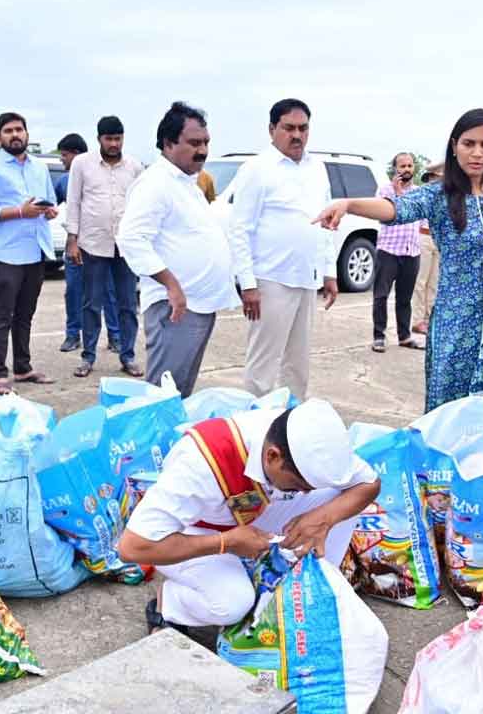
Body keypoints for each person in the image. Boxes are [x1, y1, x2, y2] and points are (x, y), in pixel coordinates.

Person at [316, 109, 483, 437]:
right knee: (450, 406)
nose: (477, 153)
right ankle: (443, 483)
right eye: (469, 143)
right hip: (459, 319)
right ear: (454, 146)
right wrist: (349, 204)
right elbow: (395, 210)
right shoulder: (439, 195)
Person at [118, 399, 380, 631]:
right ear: (272, 457)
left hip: (252, 513)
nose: (304, 494)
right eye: (299, 485)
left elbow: (369, 483)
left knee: (337, 499)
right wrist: (226, 543)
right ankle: (171, 604)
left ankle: (312, 592)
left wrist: (322, 518)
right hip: (192, 531)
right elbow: (133, 547)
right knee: (232, 603)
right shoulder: (200, 463)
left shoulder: (303, 438)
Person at [117, 102, 239, 397]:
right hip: (175, 306)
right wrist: (171, 284)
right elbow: (131, 238)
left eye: (206, 142)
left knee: (179, 393)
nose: (203, 150)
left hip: (198, 304)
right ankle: (156, 444)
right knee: (163, 394)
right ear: (169, 143)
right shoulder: (156, 183)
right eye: (194, 143)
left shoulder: (188, 183)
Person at [228, 99, 338, 400]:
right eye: (289, 128)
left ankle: (290, 430)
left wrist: (329, 271)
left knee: (298, 367)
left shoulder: (316, 168)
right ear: (272, 129)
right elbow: (240, 229)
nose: (297, 135)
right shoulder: (257, 169)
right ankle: (253, 430)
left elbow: (326, 221)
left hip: (306, 279)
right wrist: (248, 284)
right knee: (262, 368)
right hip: (270, 280)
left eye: (303, 128)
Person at [0, 111, 59, 394]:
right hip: (6, 253)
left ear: (27, 134)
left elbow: (49, 201)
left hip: (35, 250)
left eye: (19, 129)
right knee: (1, 315)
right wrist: (20, 211)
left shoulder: (39, 168)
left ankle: (22, 367)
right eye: (8, 131)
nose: (15, 135)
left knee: (25, 314)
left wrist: (49, 210)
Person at [66, 115, 145, 379]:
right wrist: (72, 240)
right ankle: (88, 357)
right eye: (109, 139)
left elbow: (141, 206)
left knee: (127, 304)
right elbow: (74, 201)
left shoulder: (134, 167)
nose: (114, 144)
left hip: (125, 247)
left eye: (118, 138)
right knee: (91, 303)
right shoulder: (82, 164)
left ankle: (128, 356)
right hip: (92, 244)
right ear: (98, 138)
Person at [55, 132, 121, 355]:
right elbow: (53, 204)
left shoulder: (104, 174)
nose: (62, 160)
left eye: (64, 155)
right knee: (74, 292)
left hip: (103, 246)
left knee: (108, 293)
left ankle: (115, 336)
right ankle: (73, 335)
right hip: (75, 246)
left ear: (75, 154)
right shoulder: (64, 181)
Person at [370, 152, 424, 353]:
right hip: (389, 251)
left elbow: (421, 219)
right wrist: (397, 191)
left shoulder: (419, 192)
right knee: (381, 296)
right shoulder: (385, 191)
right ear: (395, 169)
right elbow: (385, 215)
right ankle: (379, 337)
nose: (407, 170)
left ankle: (404, 336)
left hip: (412, 252)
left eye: (410, 166)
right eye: (403, 166)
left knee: (405, 298)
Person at [411, 161, 443, 336]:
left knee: (434, 282)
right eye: (432, 177)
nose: (434, 180)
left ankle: (430, 318)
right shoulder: (424, 195)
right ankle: (417, 320)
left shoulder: (446, 196)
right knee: (421, 281)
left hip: (438, 238)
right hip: (423, 236)